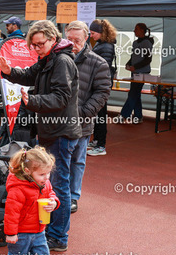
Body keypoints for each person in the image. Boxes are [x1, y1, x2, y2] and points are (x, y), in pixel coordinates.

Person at [0, 20, 81, 252]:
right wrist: (9, 72)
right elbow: (29, 75)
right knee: (51, 183)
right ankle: (51, 231)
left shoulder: (62, 61)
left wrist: (33, 101)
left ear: (53, 39)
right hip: (51, 130)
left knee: (59, 185)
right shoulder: (48, 58)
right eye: (32, 45)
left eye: (39, 44)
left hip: (60, 132)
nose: (35, 49)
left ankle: (58, 237)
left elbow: (61, 97)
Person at [0, 146, 59, 255]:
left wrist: (54, 202)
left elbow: (52, 194)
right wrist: (11, 233)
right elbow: (11, 213)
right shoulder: (18, 189)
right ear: (28, 171)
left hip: (39, 231)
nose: (46, 177)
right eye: (42, 174)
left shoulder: (44, 184)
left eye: (48, 173)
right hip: (21, 234)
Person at [65, 21, 111, 213]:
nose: (73, 44)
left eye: (77, 40)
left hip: (81, 122)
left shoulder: (98, 62)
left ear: (86, 39)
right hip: (56, 121)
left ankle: (73, 196)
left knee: (77, 160)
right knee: (55, 160)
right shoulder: (57, 58)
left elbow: (103, 91)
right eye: (69, 39)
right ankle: (56, 194)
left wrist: (84, 112)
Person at [88, 19, 117, 156]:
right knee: (98, 114)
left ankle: (101, 145)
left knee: (101, 114)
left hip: (101, 86)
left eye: (93, 33)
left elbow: (103, 67)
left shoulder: (106, 47)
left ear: (101, 32)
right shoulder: (102, 44)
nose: (91, 35)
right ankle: (97, 140)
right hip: (99, 84)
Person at [120, 23, 154, 123]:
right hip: (135, 72)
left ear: (142, 30)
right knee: (136, 94)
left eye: (136, 29)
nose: (134, 31)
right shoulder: (135, 43)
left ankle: (124, 115)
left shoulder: (147, 43)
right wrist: (129, 63)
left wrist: (135, 66)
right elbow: (134, 56)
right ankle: (138, 116)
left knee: (133, 93)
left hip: (142, 73)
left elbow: (148, 59)